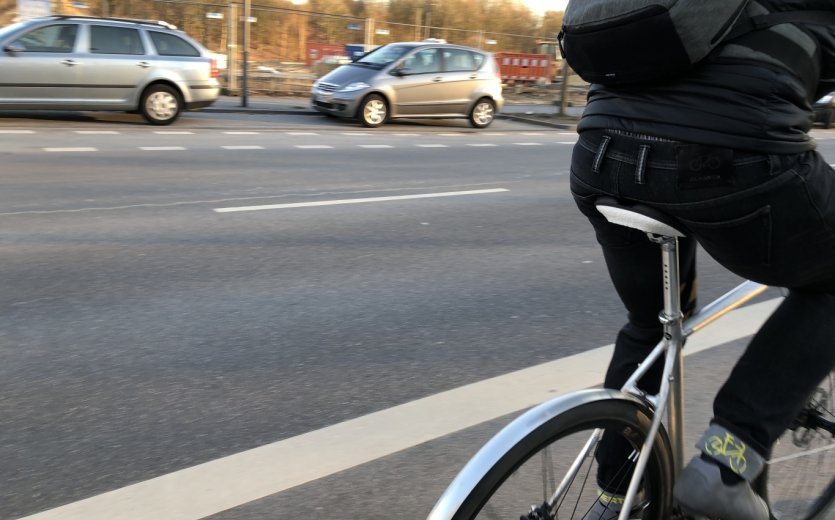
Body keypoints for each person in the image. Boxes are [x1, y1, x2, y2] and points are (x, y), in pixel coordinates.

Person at [567, 1, 835, 518]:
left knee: (651, 325)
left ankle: (617, 493)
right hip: (731, 160)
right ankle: (727, 463)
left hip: (599, 153)